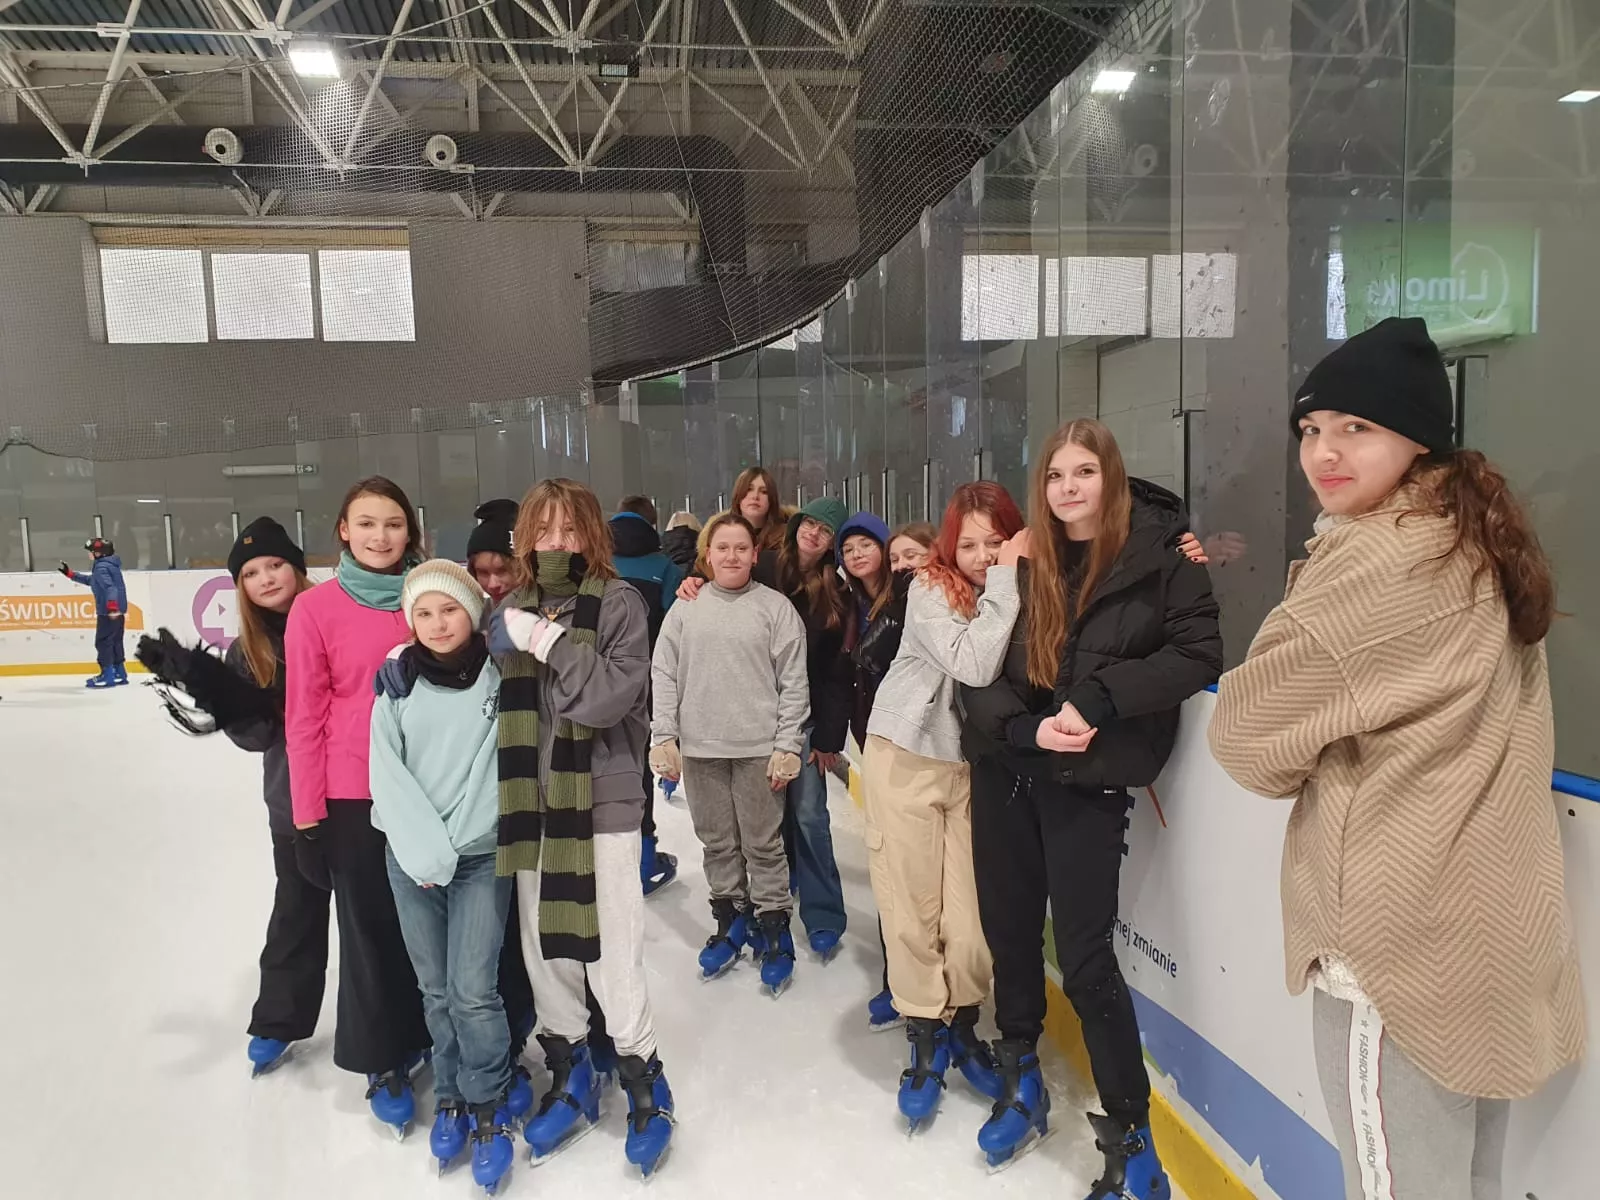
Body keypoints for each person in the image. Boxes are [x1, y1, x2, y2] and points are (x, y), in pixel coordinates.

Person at [1207, 317, 1583, 1200]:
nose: (1324, 452)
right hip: (1489, 938)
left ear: (1417, 438)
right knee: (1468, 1182)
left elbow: (1245, 738)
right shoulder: (1476, 541)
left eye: (1356, 427)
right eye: (1311, 428)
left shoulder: (1381, 560)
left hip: (1398, 955)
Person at [959, 420, 1222, 1191]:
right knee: (1011, 936)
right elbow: (979, 668)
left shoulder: (1164, 556)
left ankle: (1130, 1136)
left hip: (1088, 778)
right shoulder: (1023, 557)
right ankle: (1021, 1078)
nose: (1067, 487)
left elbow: (1197, 652)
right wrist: (1024, 729)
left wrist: (1100, 699)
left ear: (1111, 476)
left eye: (1083, 472)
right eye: (1054, 475)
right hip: (1009, 769)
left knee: (1083, 962)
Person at [486, 478, 674, 1178]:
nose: (557, 542)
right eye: (544, 530)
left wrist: (546, 640)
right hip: (529, 803)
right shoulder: (508, 608)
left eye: (570, 530)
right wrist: (406, 666)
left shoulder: (620, 603)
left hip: (603, 801)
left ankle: (643, 1074)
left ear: (592, 534)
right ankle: (571, 1069)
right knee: (546, 948)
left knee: (611, 947)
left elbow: (601, 699)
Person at [135, 518, 326, 1079]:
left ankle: (397, 1028)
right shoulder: (249, 652)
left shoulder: (332, 619)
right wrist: (223, 696)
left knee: (373, 922)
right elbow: (258, 739)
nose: (266, 578)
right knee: (295, 913)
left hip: (357, 796)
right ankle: (279, 1019)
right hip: (292, 805)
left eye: (275, 565)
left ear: (296, 567)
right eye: (251, 573)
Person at [861, 483, 1024, 1131]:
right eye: (970, 544)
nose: (983, 557)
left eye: (996, 542)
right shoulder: (930, 588)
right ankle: (927, 1036)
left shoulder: (1022, 588)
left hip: (974, 770)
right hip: (906, 755)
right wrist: (1009, 577)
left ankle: (963, 1022)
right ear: (949, 546)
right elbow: (974, 662)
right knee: (911, 909)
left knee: (973, 922)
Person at [370, 560, 526, 1191]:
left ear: (474, 612)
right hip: (412, 859)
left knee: (473, 990)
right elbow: (387, 777)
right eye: (424, 613)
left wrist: (452, 848)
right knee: (435, 990)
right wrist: (425, 853)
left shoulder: (501, 675)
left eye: (450, 609)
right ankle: (452, 1093)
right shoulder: (396, 685)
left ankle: (488, 1100)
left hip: (481, 855)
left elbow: (491, 777)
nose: (437, 624)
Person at [284, 476, 432, 1137]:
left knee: (428, 924)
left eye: (393, 524)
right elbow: (303, 714)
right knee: (369, 930)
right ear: (343, 530)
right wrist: (307, 816)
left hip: (430, 787)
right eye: (366, 523)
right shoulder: (314, 609)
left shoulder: (428, 595)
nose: (380, 536)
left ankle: (435, 1033)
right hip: (354, 793)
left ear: (410, 532)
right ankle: (382, 1056)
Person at [679, 495, 853, 965]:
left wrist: (827, 738)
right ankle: (750, 910)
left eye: (826, 531)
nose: (814, 533)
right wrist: (693, 580)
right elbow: (721, 578)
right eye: (810, 523)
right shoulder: (769, 565)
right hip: (745, 719)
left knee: (807, 817)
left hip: (801, 718)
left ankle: (820, 913)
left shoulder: (835, 590)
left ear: (833, 544)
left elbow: (835, 672)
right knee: (745, 827)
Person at [650, 513, 810, 993]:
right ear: (708, 554)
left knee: (763, 843)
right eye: (722, 547)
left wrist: (787, 744)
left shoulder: (775, 608)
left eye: (741, 547)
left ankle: (774, 924)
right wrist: (664, 735)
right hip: (702, 749)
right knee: (717, 841)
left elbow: (793, 681)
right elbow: (664, 673)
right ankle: (730, 917)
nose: (732, 556)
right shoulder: (686, 608)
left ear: (755, 555)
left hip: (758, 748)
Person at [837, 512, 907, 1035]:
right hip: (874, 740)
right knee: (889, 865)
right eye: (848, 548)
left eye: (867, 544)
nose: (857, 554)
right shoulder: (845, 603)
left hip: (923, 741)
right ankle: (896, 978)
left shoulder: (909, 595)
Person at [609, 495, 685, 898]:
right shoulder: (665, 567)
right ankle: (644, 859)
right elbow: (676, 628)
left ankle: (609, 860)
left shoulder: (597, 562)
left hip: (600, 682)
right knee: (639, 766)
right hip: (649, 680)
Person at [61, 537, 128, 688]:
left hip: (108, 612)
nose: (89, 554)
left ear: (99, 553)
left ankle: (107, 675)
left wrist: (111, 607)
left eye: (91, 551)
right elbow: (93, 581)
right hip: (118, 612)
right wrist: (71, 574)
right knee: (115, 641)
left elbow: (110, 588)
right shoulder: (109, 565)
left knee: (103, 642)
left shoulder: (101, 568)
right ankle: (119, 673)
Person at [466, 499, 521, 607]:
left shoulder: (549, 612)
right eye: (483, 572)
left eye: (503, 570)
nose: (493, 585)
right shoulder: (478, 613)